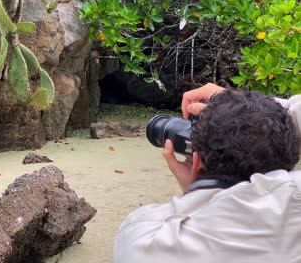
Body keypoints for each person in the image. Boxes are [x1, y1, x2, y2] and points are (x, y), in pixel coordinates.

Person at [114, 83, 301, 263]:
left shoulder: (141, 237)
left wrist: (196, 190)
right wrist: (259, 114)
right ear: (294, 155)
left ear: (195, 162)